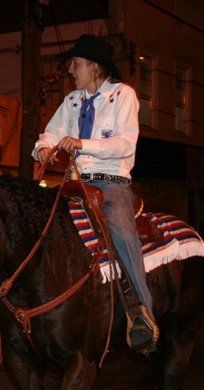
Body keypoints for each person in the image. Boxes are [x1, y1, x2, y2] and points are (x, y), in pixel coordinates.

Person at [32, 34, 157, 353]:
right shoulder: (72, 101)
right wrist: (44, 149)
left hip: (110, 182)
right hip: (73, 183)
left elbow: (126, 144)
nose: (70, 69)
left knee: (124, 236)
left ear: (95, 67)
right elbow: (50, 132)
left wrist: (82, 144)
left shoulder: (123, 95)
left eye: (75, 64)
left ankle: (141, 314)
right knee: (33, 223)